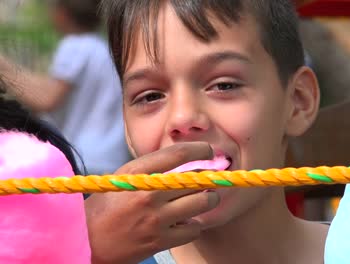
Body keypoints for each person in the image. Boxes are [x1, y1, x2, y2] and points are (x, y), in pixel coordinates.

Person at [87, 0, 327, 263]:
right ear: (127, 128)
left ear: (298, 102)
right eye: (150, 96)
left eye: (224, 85)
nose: (182, 118)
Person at [0, 0, 129, 174]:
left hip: (84, 159)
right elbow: (48, 86)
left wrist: (3, 69)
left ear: (61, 13)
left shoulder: (74, 46)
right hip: (111, 159)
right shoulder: (102, 48)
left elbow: (45, 99)